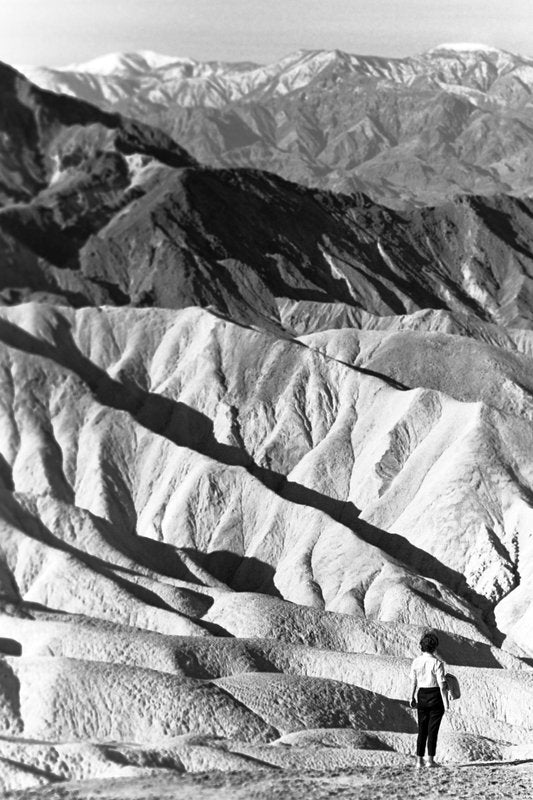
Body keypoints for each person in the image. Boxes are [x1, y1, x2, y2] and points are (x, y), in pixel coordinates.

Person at [409, 631, 449, 768]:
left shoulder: (416, 662)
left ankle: (419, 761)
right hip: (435, 695)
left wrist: (411, 696)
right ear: (435, 647)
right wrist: (446, 702)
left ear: (421, 646)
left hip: (421, 695)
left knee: (422, 729)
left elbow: (413, 681)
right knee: (433, 730)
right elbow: (442, 685)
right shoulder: (437, 663)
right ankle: (430, 760)